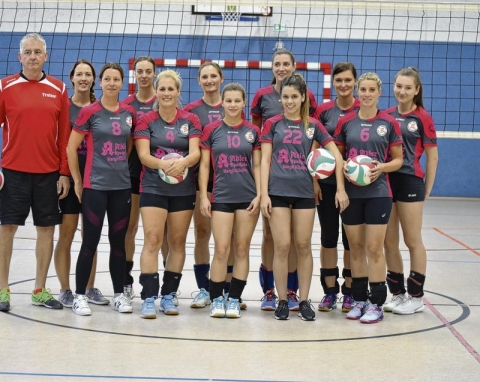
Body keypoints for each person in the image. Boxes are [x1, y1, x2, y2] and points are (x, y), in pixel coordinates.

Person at [260, 74, 348, 321]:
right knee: (282, 246)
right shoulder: (272, 124)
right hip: (277, 192)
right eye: (285, 97)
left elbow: (337, 157)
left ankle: (305, 300)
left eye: (294, 97)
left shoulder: (313, 126)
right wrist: (264, 193)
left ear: (303, 98)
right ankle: (282, 301)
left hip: (304, 193)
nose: (289, 101)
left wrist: (340, 189)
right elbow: (265, 160)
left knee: (303, 246)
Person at [0, 33, 70, 311]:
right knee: (7, 229)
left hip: (48, 174)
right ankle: (3, 289)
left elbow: (64, 135)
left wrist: (64, 173)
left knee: (46, 230)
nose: (32, 56)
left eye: (37, 52)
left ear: (45, 56)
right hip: (12, 173)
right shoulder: (5, 87)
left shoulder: (59, 88)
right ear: (20, 57)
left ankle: (39, 290)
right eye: (27, 52)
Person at [333, 72, 403, 324]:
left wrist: (380, 168)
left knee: (374, 248)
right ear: (357, 92)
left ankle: (376, 304)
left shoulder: (389, 123)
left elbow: (398, 160)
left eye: (371, 90)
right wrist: (340, 189)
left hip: (378, 193)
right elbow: (338, 159)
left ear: (378, 93)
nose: (366, 94)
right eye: (363, 90)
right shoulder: (346, 123)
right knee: (356, 248)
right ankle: (359, 300)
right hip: (351, 194)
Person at [251, 48, 318, 311]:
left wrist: (313, 176)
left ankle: (293, 291)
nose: (281, 68)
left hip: (299, 178)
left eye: (285, 64)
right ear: (272, 68)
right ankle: (270, 290)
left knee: (297, 240)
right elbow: (256, 135)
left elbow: (311, 139)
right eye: (277, 64)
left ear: (294, 66)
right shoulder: (262, 96)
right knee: (273, 237)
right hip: (275, 177)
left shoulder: (307, 96)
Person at [67, 62, 136, 316]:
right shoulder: (90, 112)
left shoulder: (129, 113)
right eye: (107, 79)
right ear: (101, 82)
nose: (111, 83)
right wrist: (76, 180)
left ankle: (118, 294)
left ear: (121, 83)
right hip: (94, 187)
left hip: (121, 188)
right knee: (90, 242)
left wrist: (117, 166)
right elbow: (70, 148)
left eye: (116, 79)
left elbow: (128, 145)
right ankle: (80, 296)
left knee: (118, 243)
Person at [134, 70, 201, 319]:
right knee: (152, 239)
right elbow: (143, 155)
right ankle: (149, 297)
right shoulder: (146, 120)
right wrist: (165, 164)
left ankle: (169, 295)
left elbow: (195, 153)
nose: (165, 93)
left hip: (183, 189)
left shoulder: (190, 119)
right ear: (156, 91)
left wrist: (182, 163)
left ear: (178, 92)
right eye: (161, 89)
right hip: (153, 187)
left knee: (178, 242)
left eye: (170, 89)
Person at [199, 83, 261, 318]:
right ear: (222, 103)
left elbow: (257, 165)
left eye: (237, 100)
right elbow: (205, 165)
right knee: (221, 249)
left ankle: (234, 298)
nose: (233, 104)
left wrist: (259, 194)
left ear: (244, 103)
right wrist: (204, 195)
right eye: (229, 100)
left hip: (247, 197)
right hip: (222, 196)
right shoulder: (212, 130)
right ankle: (216, 299)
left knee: (242, 248)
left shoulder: (252, 131)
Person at [383, 67, 438, 315]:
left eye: (407, 87)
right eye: (398, 86)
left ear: (416, 90)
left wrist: (427, 190)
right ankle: (397, 294)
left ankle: (416, 297)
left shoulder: (422, 117)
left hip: (410, 181)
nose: (402, 91)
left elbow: (432, 156)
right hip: (386, 181)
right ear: (393, 87)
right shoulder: (386, 115)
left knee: (412, 240)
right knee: (389, 241)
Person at [54, 59, 109, 307]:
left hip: (94, 180)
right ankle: (65, 289)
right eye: (79, 74)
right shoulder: (63, 108)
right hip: (68, 179)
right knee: (65, 234)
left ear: (94, 80)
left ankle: (89, 287)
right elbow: (60, 145)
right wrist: (63, 174)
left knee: (91, 237)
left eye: (88, 74)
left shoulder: (101, 108)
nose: (84, 78)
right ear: (72, 78)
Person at [312, 62, 360, 313]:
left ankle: (350, 291)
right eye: (339, 80)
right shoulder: (323, 111)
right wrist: (314, 181)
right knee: (328, 237)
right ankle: (330, 292)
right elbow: (313, 146)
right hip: (328, 184)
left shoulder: (364, 109)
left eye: (348, 80)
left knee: (350, 240)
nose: (343, 85)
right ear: (333, 83)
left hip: (354, 187)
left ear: (355, 82)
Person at [183, 62, 224, 309]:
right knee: (201, 234)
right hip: (199, 182)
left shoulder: (232, 106)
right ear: (199, 81)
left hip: (229, 182)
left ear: (221, 78)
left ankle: (227, 289)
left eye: (213, 76)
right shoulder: (190, 111)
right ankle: (204, 289)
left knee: (226, 238)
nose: (209, 80)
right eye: (204, 77)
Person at [122, 56, 157, 300]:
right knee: (130, 229)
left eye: (148, 71)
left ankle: (165, 288)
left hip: (159, 177)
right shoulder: (126, 105)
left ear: (154, 73)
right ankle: (126, 281)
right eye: (140, 71)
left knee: (159, 234)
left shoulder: (165, 99)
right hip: (132, 174)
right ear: (135, 74)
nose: (144, 75)